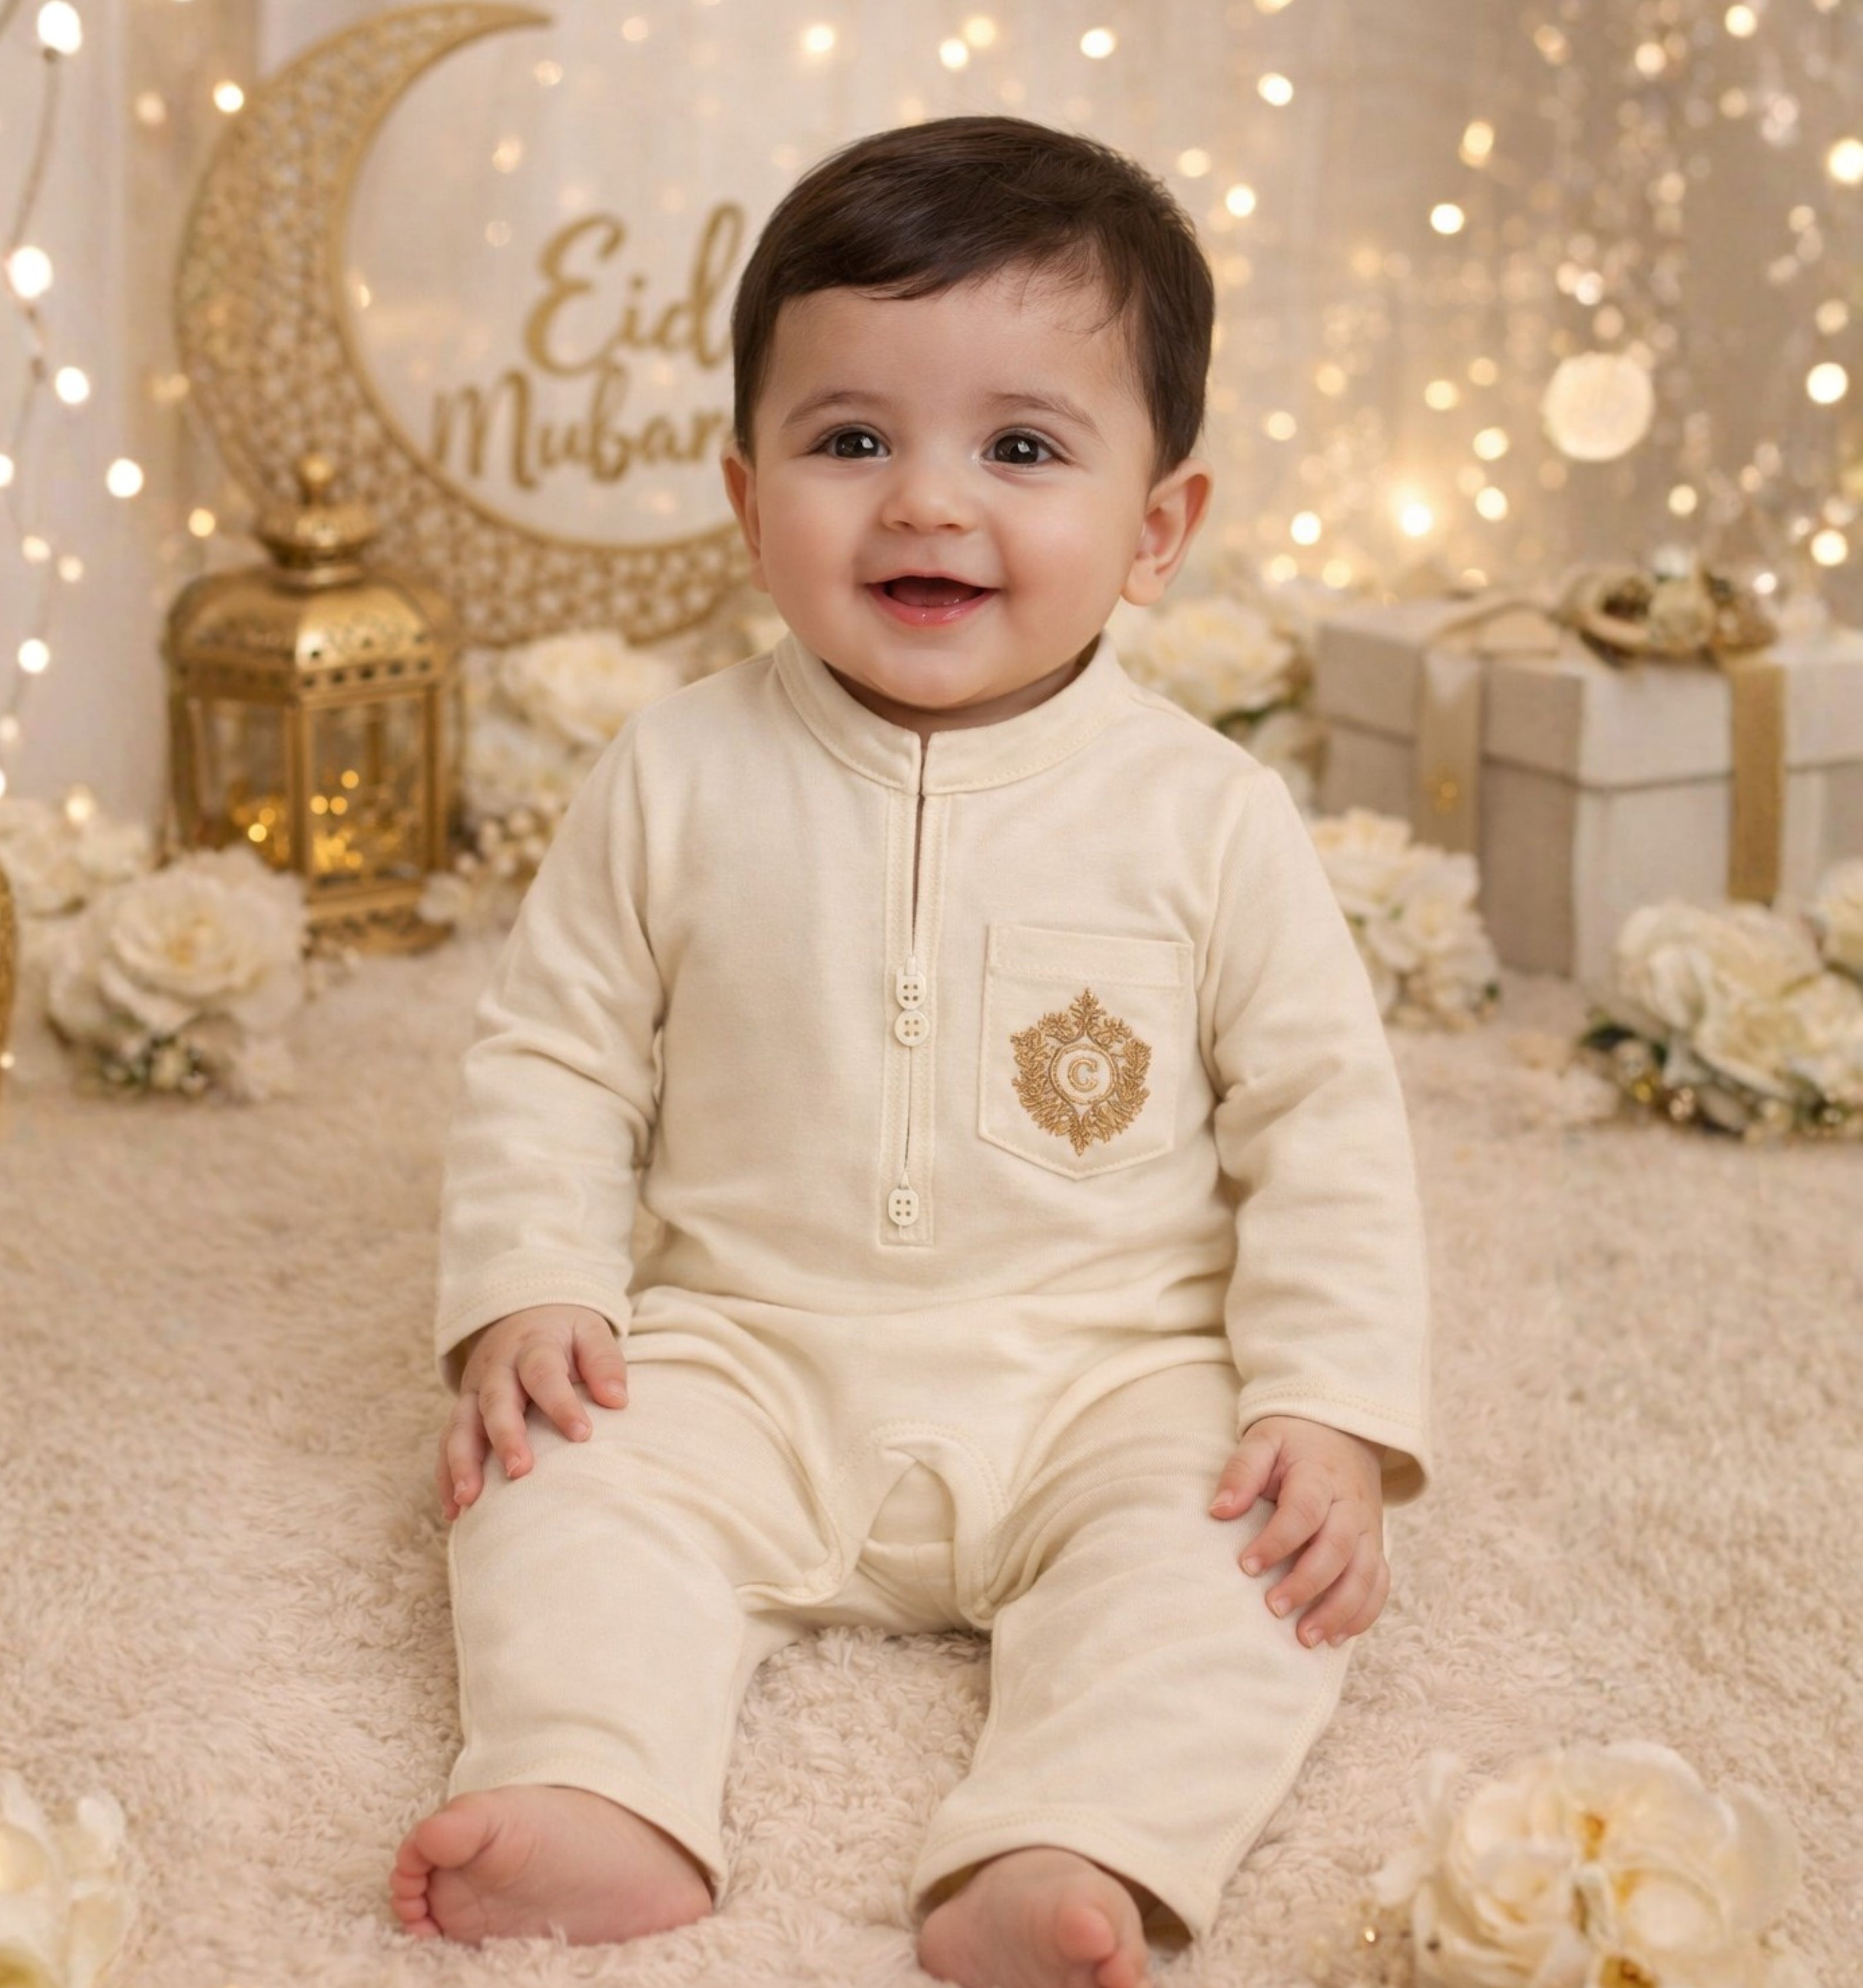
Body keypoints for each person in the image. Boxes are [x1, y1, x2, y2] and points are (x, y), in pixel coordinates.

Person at [391, 113, 1431, 1988]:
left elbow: (1323, 1126)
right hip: (739, 1350)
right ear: (746, 497)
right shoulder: (674, 772)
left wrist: (1330, 1407)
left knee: (1245, 1573)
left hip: (1110, 1375)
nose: (928, 504)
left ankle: (1073, 1840)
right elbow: (554, 1060)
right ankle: (597, 1788)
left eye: (1021, 448)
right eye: (852, 441)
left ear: (1158, 527)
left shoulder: (1208, 816)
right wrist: (533, 1292)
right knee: (553, 1489)